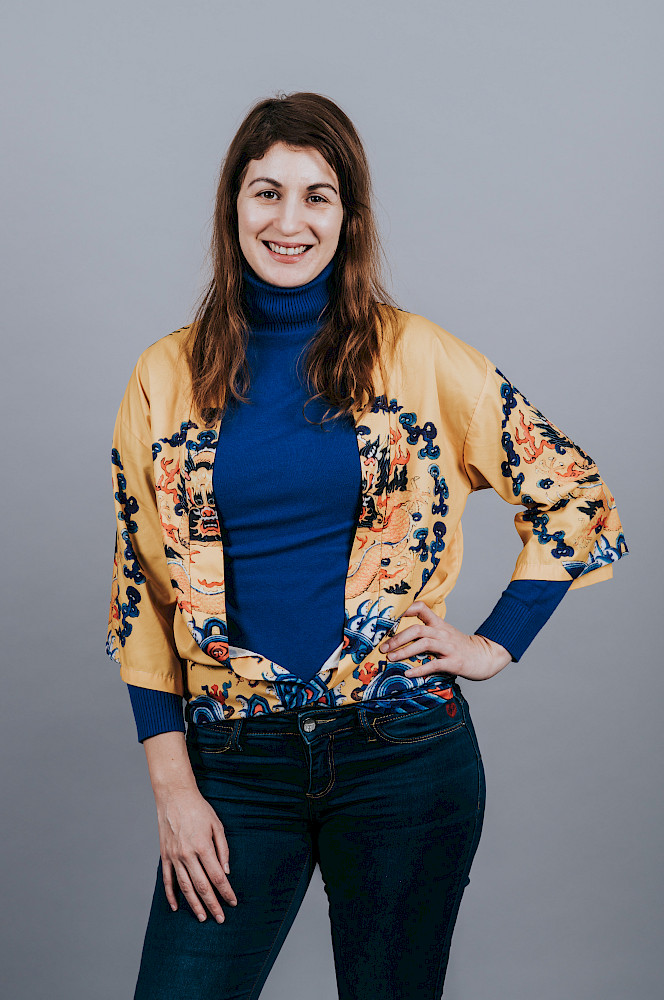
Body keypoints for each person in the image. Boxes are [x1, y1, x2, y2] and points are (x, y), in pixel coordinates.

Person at [106, 91, 628, 999]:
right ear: (233, 206)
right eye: (267, 193)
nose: (290, 221)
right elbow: (139, 588)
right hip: (234, 763)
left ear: (348, 217)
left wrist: (495, 643)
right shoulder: (165, 373)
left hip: (403, 753)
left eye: (318, 196)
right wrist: (173, 790)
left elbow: (573, 493)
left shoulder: (417, 356)